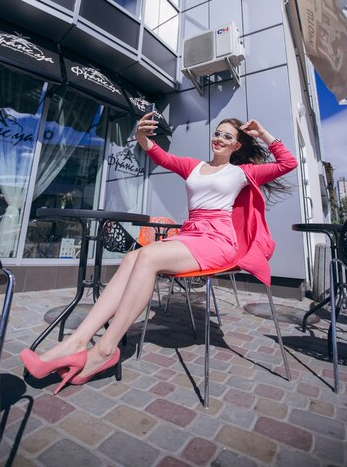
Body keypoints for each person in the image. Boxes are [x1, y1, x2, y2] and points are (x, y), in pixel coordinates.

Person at [20, 115, 297, 394]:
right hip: (191, 234)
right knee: (132, 258)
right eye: (217, 133)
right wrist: (140, 136)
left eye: (227, 137)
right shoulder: (194, 167)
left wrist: (262, 132)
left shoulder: (242, 172)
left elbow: (289, 163)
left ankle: (105, 349)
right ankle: (76, 343)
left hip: (218, 240)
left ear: (237, 146)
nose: (219, 139)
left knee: (148, 256)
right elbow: (159, 156)